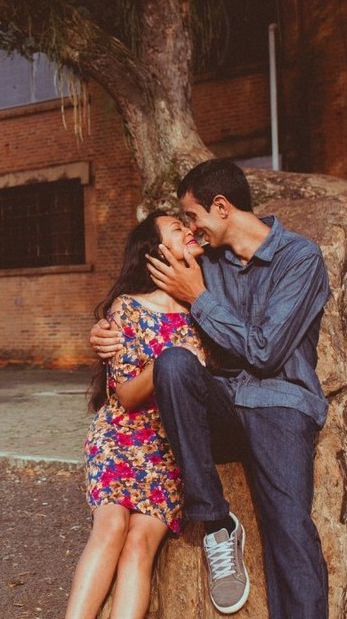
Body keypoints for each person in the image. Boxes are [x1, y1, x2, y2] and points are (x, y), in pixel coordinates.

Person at [90, 159, 331, 619]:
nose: (192, 230)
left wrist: (200, 297)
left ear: (221, 207)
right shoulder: (208, 260)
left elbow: (265, 352)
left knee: (291, 530)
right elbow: (147, 293)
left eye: (194, 217)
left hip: (280, 403)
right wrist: (104, 329)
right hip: (221, 402)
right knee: (176, 363)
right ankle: (217, 521)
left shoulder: (299, 258)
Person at [65, 211, 209, 619]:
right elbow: (127, 395)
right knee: (110, 528)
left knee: (138, 544)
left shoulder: (205, 309)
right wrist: (173, 358)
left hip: (169, 445)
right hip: (120, 436)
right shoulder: (127, 308)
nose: (189, 231)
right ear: (156, 253)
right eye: (177, 229)